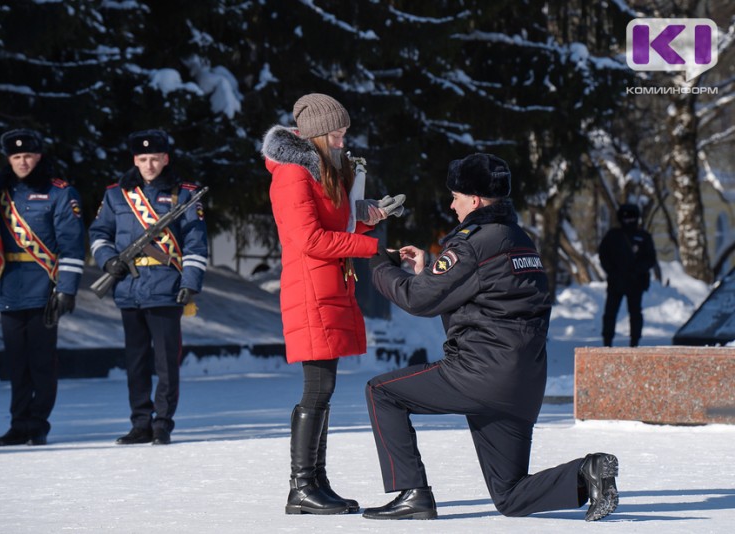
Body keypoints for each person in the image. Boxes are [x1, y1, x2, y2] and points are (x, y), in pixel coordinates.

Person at [363, 153, 619, 521]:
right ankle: (586, 474)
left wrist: (378, 264)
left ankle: (412, 493)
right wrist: (428, 271)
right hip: (524, 382)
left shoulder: (471, 243)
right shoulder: (519, 239)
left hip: (479, 374)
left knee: (381, 392)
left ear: (477, 199)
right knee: (510, 497)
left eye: (456, 196)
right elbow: (480, 295)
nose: (451, 204)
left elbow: (418, 300)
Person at [261, 93, 404, 515]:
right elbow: (308, 240)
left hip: (329, 286)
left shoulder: (323, 169)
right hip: (311, 289)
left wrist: (370, 215)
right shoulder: (292, 175)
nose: (343, 142)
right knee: (317, 389)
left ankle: (316, 482)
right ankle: (301, 486)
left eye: (344, 134)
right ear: (317, 135)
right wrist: (370, 246)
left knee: (323, 389)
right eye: (337, 135)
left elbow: (334, 222)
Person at [88, 129, 208, 446]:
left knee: (166, 363)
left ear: (166, 158)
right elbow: (99, 233)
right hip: (129, 287)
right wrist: (108, 261)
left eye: (155, 158)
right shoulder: (116, 195)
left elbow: (196, 243)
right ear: (135, 160)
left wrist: (190, 283)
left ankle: (162, 423)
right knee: (136, 362)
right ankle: (140, 423)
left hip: (167, 287)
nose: (150, 165)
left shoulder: (184, 194)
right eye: (143, 159)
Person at [0, 129, 86, 446]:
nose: (22, 161)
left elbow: (72, 246)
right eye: (16, 156)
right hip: (9, 286)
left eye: (28, 155)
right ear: (9, 159)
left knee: (42, 364)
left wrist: (67, 288)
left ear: (39, 156)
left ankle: (38, 423)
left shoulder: (59, 193)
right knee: (17, 364)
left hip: (45, 286)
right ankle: (19, 424)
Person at [599, 203, 657, 347]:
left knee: (635, 314)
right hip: (616, 282)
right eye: (626, 217)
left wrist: (637, 270)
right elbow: (603, 254)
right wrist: (612, 271)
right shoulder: (613, 236)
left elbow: (650, 258)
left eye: (632, 217)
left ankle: (634, 343)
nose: (629, 221)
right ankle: (607, 343)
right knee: (610, 313)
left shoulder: (643, 237)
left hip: (635, 282)